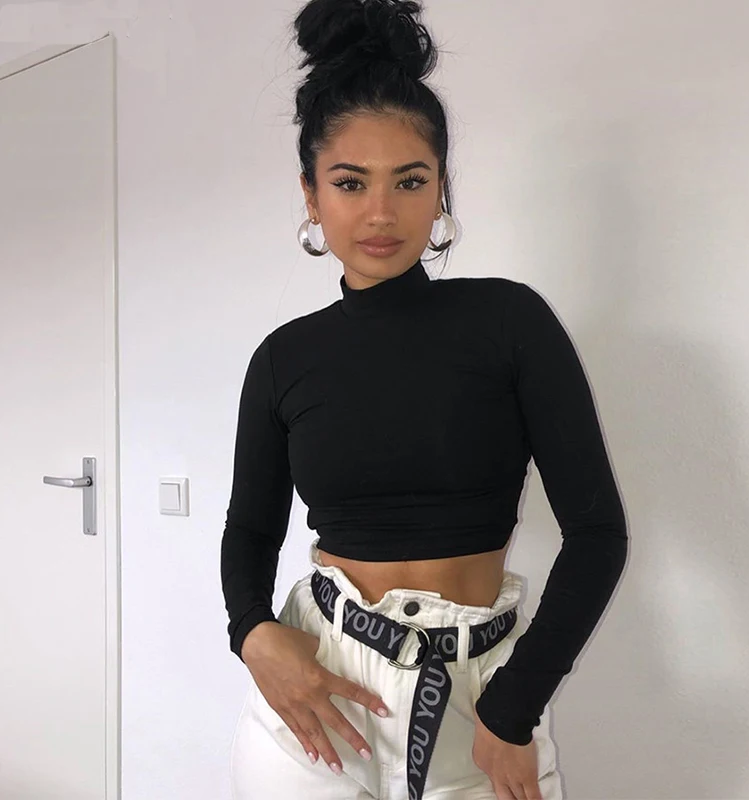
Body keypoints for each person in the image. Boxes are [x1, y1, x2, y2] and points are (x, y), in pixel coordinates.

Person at [221, 1, 629, 798]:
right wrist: (252, 634)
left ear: (441, 189)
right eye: (350, 183)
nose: (381, 212)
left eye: (410, 181)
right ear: (311, 196)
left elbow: (597, 533)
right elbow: (251, 528)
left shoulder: (510, 321)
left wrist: (514, 708)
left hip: (482, 700)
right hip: (317, 694)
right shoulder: (283, 358)